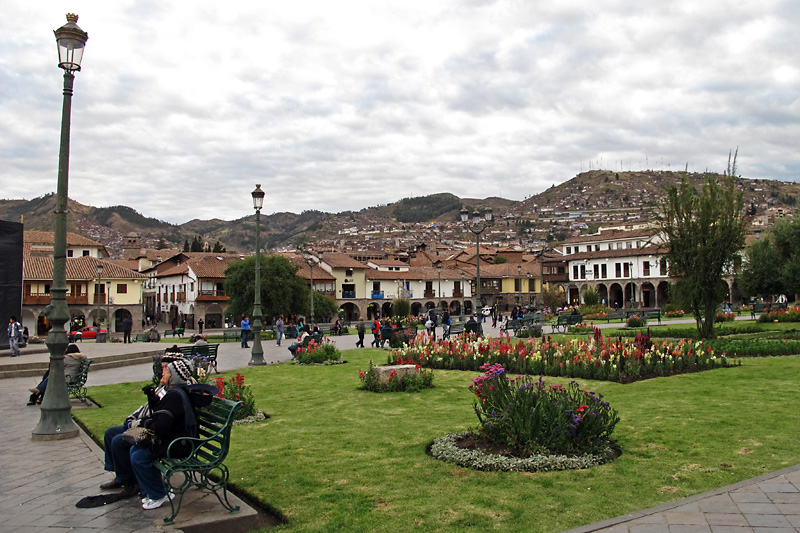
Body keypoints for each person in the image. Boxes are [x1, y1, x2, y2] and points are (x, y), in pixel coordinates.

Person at [105, 355, 198, 509]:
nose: (163, 374)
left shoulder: (174, 396)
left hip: (178, 443)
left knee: (139, 456)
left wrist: (143, 423)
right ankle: (153, 490)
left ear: (174, 377)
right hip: (173, 439)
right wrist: (152, 399)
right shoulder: (173, 392)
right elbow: (162, 415)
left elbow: (162, 425)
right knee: (135, 450)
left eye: (166, 372)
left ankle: (158, 494)